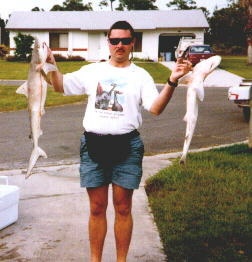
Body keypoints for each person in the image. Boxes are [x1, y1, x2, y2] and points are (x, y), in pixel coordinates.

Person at [46, 20, 191, 262]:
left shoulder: (140, 75)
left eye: (125, 40)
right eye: (115, 41)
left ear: (133, 42)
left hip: (127, 147)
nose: (120, 45)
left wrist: (172, 81)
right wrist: (47, 64)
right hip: (93, 145)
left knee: (123, 208)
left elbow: (155, 109)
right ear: (108, 43)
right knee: (96, 208)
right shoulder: (94, 71)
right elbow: (59, 85)